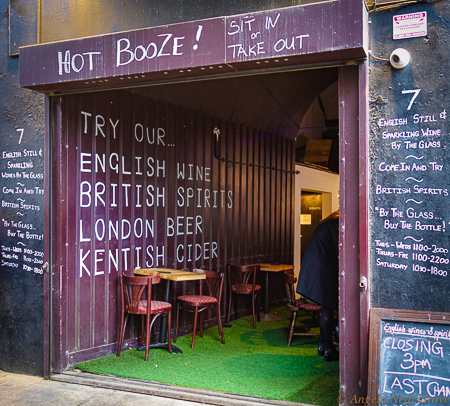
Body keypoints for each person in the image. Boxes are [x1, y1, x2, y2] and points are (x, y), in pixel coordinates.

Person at [296, 210, 339, 362]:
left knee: (326, 310)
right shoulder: (334, 226)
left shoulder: (325, 225)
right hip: (322, 272)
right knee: (328, 310)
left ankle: (323, 346)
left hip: (314, 272)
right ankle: (329, 349)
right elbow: (338, 252)